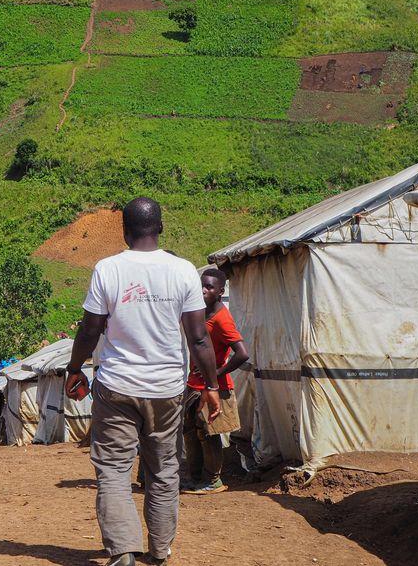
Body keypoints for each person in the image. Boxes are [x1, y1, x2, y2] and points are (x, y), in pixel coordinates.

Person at [65, 197, 220, 566]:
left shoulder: (108, 269)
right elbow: (199, 338)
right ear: (161, 228)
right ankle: (160, 549)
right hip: (167, 389)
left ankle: (122, 551)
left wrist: (74, 369)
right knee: (164, 470)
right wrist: (212, 387)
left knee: (114, 470)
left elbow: (90, 329)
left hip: (116, 386)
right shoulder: (183, 271)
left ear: (125, 231)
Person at [182, 268, 248, 495]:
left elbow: (242, 353)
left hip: (213, 386)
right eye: (202, 285)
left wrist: (217, 372)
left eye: (209, 287)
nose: (203, 290)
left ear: (220, 292)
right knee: (191, 431)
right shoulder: (200, 312)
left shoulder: (221, 318)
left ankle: (213, 480)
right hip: (194, 383)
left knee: (209, 433)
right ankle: (195, 477)